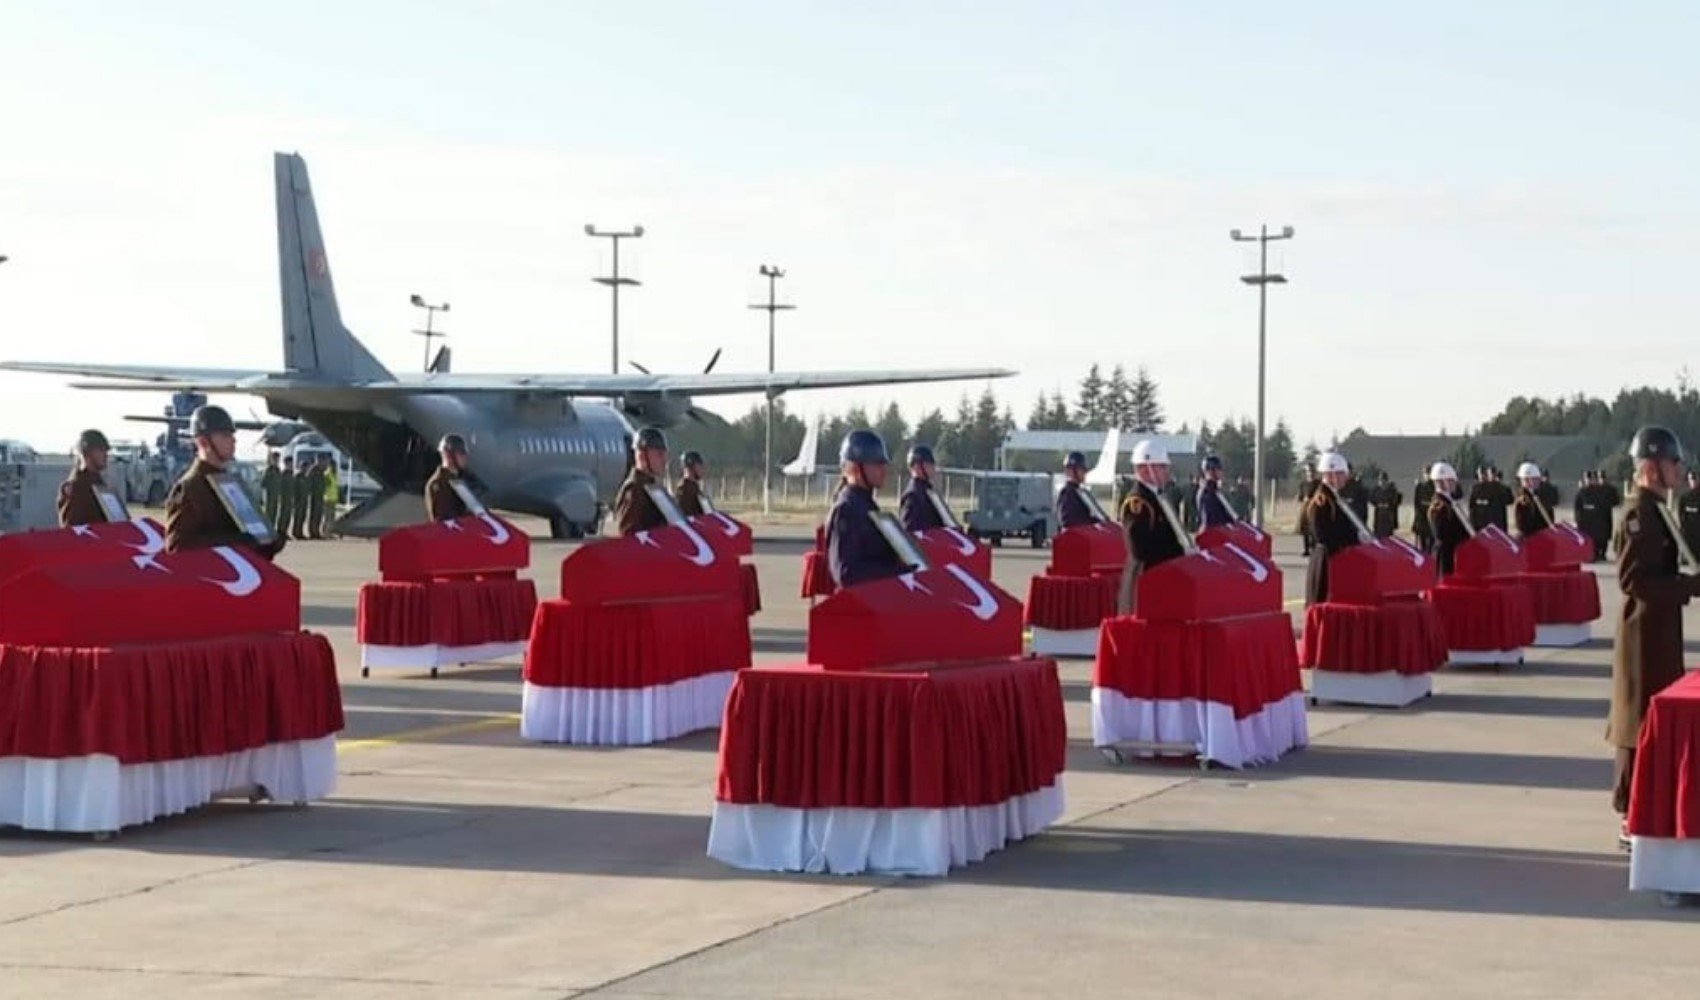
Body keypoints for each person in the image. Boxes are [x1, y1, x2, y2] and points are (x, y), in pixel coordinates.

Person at [1609, 426, 1700, 835]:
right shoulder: (1639, 514)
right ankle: (1631, 814)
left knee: (1650, 719)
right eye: (1672, 462)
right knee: (1638, 720)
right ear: (1651, 467)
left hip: (1659, 629)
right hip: (1642, 635)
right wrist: (1687, 586)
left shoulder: (1658, 508)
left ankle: (1642, 807)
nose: (1679, 469)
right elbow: (1632, 580)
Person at [164, 405, 285, 558]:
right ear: (203, 442)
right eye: (225, 435)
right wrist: (233, 543)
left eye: (232, 434)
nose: (233, 440)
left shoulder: (231, 484)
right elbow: (177, 547)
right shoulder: (189, 488)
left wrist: (267, 545)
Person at [826, 429, 910, 588]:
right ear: (856, 468)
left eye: (884, 464)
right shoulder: (846, 510)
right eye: (877, 464)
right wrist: (898, 573)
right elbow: (846, 573)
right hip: (859, 608)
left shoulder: (866, 505)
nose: (884, 469)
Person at [1117, 439, 1187, 614]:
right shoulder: (1138, 501)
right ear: (1144, 468)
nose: (1166, 472)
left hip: (1165, 576)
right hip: (1148, 577)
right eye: (1161, 467)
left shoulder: (1157, 497)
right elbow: (1138, 549)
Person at [1304, 452, 1367, 606]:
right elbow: (1322, 534)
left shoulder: (1335, 498)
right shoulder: (1322, 501)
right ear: (1332, 474)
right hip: (1327, 561)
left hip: (1336, 559)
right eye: (1342, 474)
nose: (1346, 478)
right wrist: (1351, 540)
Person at [611, 426, 670, 536]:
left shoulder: (651, 486)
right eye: (659, 454)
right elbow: (627, 536)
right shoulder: (634, 489)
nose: (665, 460)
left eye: (665, 454)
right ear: (642, 456)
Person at [58, 428, 113, 527]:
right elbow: (71, 530)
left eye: (106, 451)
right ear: (86, 453)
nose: (105, 455)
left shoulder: (99, 484)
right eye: (100, 450)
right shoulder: (76, 487)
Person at [1427, 462, 1473, 577]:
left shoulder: (1450, 502)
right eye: (1451, 481)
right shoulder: (1438, 505)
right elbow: (1441, 534)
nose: (1454, 484)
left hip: (1454, 554)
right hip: (1445, 558)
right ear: (1442, 482)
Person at [424, 433, 482, 521]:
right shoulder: (438, 484)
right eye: (461, 453)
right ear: (448, 455)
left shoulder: (459, 479)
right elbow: (445, 521)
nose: (465, 457)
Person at [899, 443, 950, 532]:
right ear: (916, 466)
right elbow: (909, 532)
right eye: (928, 464)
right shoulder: (912, 496)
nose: (933, 467)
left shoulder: (928, 491)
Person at [1054, 451, 1101, 529]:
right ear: (1071, 471)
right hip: (1076, 538)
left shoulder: (1081, 492)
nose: (1084, 473)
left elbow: (1094, 515)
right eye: (1081, 469)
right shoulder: (1067, 494)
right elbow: (1068, 522)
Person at [1512, 461, 1557, 538]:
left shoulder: (1543, 495)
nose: (1533, 482)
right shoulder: (1522, 500)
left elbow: (1550, 518)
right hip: (1529, 539)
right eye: (1527, 480)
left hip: (1544, 537)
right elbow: (1521, 525)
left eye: (1536, 479)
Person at [1196, 455, 1238, 529]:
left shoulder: (1216, 490)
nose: (1221, 472)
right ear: (1210, 471)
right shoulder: (1207, 493)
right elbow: (1210, 520)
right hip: (1214, 535)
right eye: (1218, 469)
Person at [1576, 470, 1609, 560]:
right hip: (1585, 518)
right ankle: (1588, 554)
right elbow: (1577, 507)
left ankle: (1597, 553)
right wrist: (1578, 519)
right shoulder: (1582, 492)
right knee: (1587, 538)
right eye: (1588, 479)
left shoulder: (1599, 491)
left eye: (1591, 479)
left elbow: (1602, 505)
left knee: (1597, 537)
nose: (1590, 481)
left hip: (1596, 519)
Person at [676, 449, 710, 517]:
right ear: (690, 466)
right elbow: (686, 517)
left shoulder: (693, 487)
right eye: (699, 465)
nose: (701, 469)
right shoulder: (685, 490)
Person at [1369, 471, 1401, 539]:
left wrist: (1388, 504)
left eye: (1383, 480)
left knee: (1388, 536)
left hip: (1388, 516)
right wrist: (1378, 504)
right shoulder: (1376, 489)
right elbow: (1371, 499)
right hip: (1379, 516)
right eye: (1380, 480)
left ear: (1386, 480)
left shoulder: (1392, 490)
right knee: (1378, 535)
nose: (1381, 482)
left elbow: (1396, 501)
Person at [1296, 466, 1320, 556]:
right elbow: (1300, 496)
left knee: (1314, 528)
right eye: (1309, 471)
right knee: (1305, 529)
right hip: (1305, 508)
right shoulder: (1303, 484)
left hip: (1315, 508)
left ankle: (1314, 547)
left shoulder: (1319, 484)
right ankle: (1306, 549)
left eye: (1312, 471)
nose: (1310, 473)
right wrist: (1303, 498)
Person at [1412, 472, 1436, 553]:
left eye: (1429, 473)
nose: (1428, 475)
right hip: (1422, 515)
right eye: (1427, 473)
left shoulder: (1435, 487)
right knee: (1422, 539)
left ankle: (1429, 552)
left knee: (1431, 538)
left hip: (1431, 515)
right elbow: (1416, 503)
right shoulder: (1420, 487)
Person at [289, 458, 312, 540]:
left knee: (303, 517)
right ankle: (295, 532)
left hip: (304, 500)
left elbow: (308, 489)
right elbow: (294, 489)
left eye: (307, 467)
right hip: (298, 500)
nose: (306, 469)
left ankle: (300, 532)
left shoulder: (306, 477)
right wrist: (294, 500)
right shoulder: (297, 477)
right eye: (305, 467)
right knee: (297, 517)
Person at [1679, 470, 1700, 558]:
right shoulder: (1684, 497)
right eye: (1691, 479)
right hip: (1690, 534)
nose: (1693, 481)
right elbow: (1681, 516)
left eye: (1695, 478)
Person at [304, 458, 327, 540]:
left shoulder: (322, 472)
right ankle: (312, 532)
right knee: (313, 515)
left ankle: (317, 531)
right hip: (314, 496)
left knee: (319, 515)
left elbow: (323, 484)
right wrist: (309, 494)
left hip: (320, 496)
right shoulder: (313, 471)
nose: (325, 464)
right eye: (324, 462)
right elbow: (308, 483)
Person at [261, 452, 283, 528]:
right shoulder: (268, 470)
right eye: (275, 459)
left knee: (275, 514)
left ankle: (272, 529)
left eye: (278, 459)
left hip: (276, 496)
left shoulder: (278, 470)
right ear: (272, 459)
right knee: (268, 515)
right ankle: (267, 529)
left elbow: (280, 483)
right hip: (269, 497)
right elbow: (263, 483)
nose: (277, 461)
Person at [319, 458, 340, 538]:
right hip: (327, 499)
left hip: (333, 499)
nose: (335, 467)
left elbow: (335, 486)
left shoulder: (335, 474)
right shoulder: (327, 474)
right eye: (333, 465)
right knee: (327, 517)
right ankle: (325, 533)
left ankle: (329, 532)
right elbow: (325, 486)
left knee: (332, 517)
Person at [276, 456, 296, 536]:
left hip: (290, 498)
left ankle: (285, 531)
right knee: (283, 515)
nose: (291, 465)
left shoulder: (291, 474)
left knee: (288, 516)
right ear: (285, 464)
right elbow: (280, 486)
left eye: (291, 463)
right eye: (289, 463)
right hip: (284, 497)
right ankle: (281, 531)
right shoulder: (283, 474)